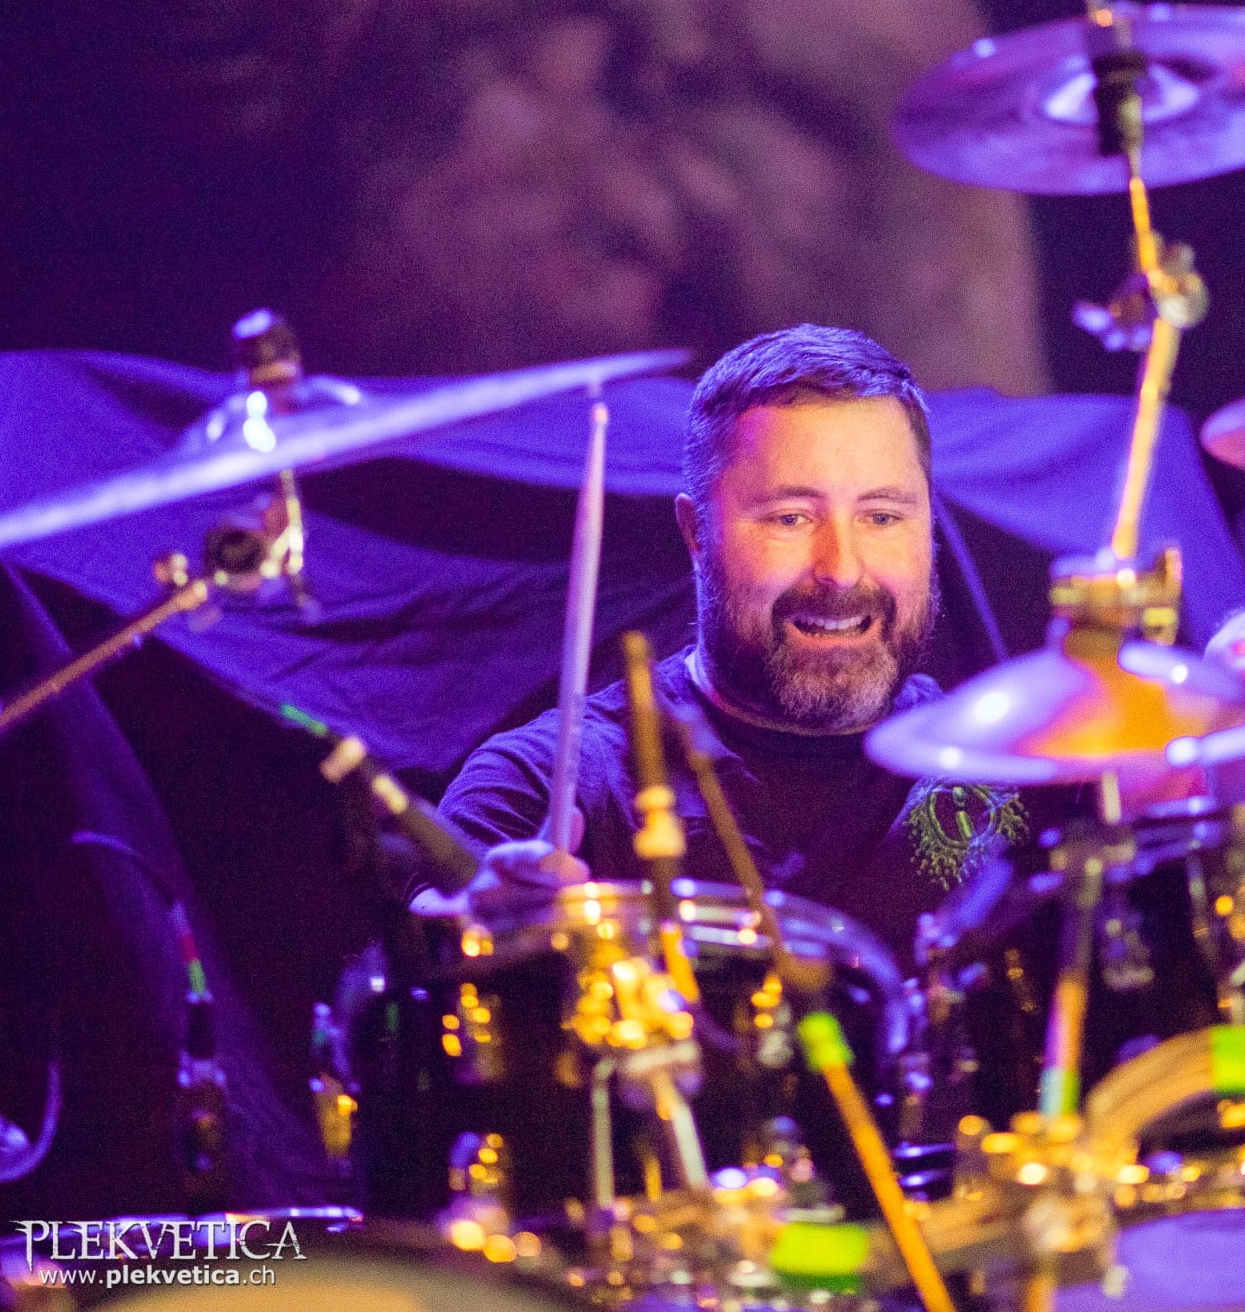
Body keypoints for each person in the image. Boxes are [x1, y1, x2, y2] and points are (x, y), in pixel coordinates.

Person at [437, 324, 1027, 961]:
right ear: (698, 534)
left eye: (881, 516)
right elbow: (429, 955)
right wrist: (465, 931)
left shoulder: (1015, 769)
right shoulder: (544, 786)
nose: (841, 570)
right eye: (790, 518)